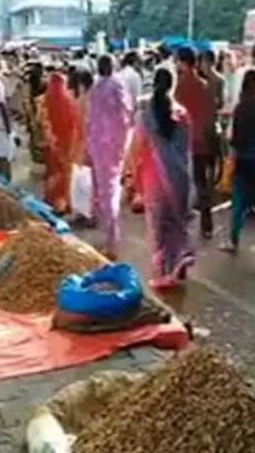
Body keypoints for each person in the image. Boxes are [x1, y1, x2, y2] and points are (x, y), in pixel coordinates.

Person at [137, 68, 195, 288]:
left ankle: (162, 274)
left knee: (158, 227)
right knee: (177, 223)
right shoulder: (182, 113)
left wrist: (132, 175)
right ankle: (180, 260)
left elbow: (139, 146)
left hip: (155, 177)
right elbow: (187, 148)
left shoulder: (145, 115)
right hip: (180, 176)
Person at [218, 68, 255, 262]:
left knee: (239, 205)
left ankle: (233, 241)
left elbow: (233, 139)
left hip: (242, 162)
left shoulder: (240, 108)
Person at [87, 55, 133, 259]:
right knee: (111, 189)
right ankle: (111, 238)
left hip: (99, 146)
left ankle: (111, 238)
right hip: (114, 146)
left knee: (106, 191)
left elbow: (91, 119)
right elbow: (126, 116)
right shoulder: (117, 86)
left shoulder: (96, 89)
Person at [175, 46, 217, 239]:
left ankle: (181, 222)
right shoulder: (204, 84)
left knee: (182, 184)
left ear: (184, 63)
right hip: (202, 142)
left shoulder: (180, 86)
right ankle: (207, 225)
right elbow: (210, 115)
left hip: (184, 143)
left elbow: (175, 116)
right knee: (202, 184)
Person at [43, 72, 80, 215]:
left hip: (53, 143)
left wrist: (51, 140)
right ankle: (65, 203)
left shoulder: (45, 101)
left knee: (54, 172)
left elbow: (44, 123)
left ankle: (54, 202)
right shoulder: (68, 101)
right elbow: (74, 124)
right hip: (67, 143)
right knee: (66, 173)